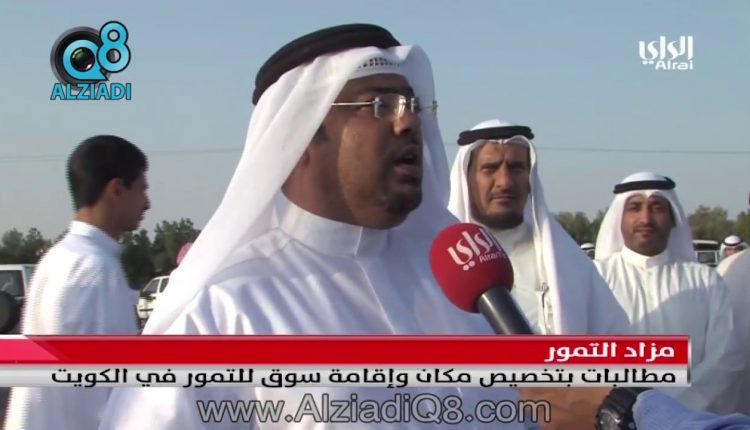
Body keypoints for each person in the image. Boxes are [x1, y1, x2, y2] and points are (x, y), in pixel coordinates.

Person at [100, 24, 526, 429]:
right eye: (380, 105)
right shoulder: (222, 313)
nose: (408, 122)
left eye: (411, 105)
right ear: (300, 137)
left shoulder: (459, 286)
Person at [3, 135, 150, 430]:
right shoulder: (94, 270)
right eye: (142, 189)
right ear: (116, 189)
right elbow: (105, 392)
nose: (147, 203)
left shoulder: (59, 258)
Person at [447, 119, 629, 335]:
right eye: (490, 168)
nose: (505, 181)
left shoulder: (569, 264)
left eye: (516, 168)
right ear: (466, 179)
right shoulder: (439, 267)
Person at [593, 171, 744, 414]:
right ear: (618, 218)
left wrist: (672, 409)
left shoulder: (705, 281)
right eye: (635, 208)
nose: (646, 218)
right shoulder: (594, 278)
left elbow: (726, 358)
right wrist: (620, 409)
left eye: (657, 208)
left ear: (673, 218)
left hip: (690, 419)